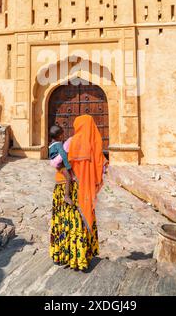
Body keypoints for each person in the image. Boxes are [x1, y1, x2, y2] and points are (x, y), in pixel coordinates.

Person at [50, 115, 108, 271]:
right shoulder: (94, 145)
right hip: (83, 190)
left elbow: (57, 162)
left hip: (64, 186)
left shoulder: (70, 142)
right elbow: (102, 167)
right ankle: (82, 257)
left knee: (64, 221)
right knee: (80, 222)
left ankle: (62, 255)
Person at [49, 125, 73, 206]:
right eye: (63, 135)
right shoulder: (58, 144)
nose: (63, 136)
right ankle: (66, 196)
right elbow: (63, 155)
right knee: (69, 178)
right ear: (59, 136)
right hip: (60, 165)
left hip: (56, 163)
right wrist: (68, 167)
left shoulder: (52, 144)